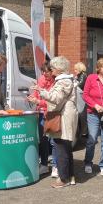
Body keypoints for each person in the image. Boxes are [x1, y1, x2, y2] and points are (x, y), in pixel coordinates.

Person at [33, 56, 78, 188]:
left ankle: (63, 179)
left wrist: (41, 91)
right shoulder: (68, 80)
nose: (51, 70)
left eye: (52, 68)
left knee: (61, 148)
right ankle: (70, 176)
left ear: (58, 68)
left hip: (63, 118)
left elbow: (55, 98)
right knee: (66, 148)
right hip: (67, 116)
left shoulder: (63, 81)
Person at [27, 61, 56, 176]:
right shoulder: (41, 79)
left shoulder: (56, 82)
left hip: (53, 113)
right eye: (43, 71)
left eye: (47, 71)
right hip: (41, 112)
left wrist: (39, 101)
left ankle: (55, 166)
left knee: (54, 141)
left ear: (52, 71)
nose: (44, 74)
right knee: (43, 140)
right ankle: (44, 165)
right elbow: (36, 94)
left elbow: (53, 101)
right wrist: (32, 97)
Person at [74, 62, 87, 137]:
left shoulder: (83, 75)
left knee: (82, 115)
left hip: (82, 99)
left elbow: (79, 85)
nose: (74, 71)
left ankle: (84, 132)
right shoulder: (79, 76)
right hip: (80, 98)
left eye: (76, 69)